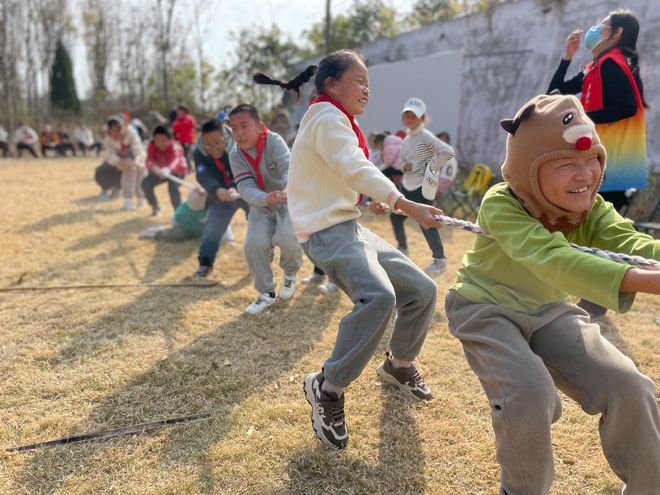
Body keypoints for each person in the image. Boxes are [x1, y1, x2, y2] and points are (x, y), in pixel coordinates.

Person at [446, 93, 660, 494]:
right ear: (529, 169)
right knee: (529, 393)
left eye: (593, 160)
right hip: (484, 307)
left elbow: (630, 244)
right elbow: (551, 258)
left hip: (549, 310)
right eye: (565, 164)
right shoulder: (502, 203)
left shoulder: (590, 207)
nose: (585, 174)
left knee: (631, 386)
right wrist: (643, 280)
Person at [258, 49, 444, 449]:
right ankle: (328, 386)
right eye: (358, 81)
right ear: (330, 85)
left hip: (348, 226)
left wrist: (363, 200)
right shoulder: (326, 117)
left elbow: (337, 176)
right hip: (327, 233)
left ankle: (398, 366)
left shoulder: (335, 121)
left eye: (368, 83)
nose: (366, 89)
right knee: (379, 296)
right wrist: (405, 203)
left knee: (422, 291)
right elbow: (353, 166)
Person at [547, 8, 648, 318]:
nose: (595, 28)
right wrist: (567, 56)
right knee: (597, 226)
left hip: (613, 158)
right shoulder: (597, 65)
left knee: (603, 228)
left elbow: (627, 106)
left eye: (603, 25)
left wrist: (584, 121)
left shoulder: (612, 64)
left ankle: (599, 297)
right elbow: (556, 91)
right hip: (603, 158)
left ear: (616, 33)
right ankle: (596, 297)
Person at [227, 103, 302, 314]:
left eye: (244, 126)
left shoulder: (274, 141)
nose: (239, 133)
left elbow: (289, 168)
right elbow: (245, 188)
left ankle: (290, 274)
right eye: (234, 128)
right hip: (261, 205)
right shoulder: (235, 155)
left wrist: (287, 190)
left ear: (259, 126)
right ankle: (266, 292)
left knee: (289, 237)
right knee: (254, 244)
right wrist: (267, 198)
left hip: (286, 201)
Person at [389, 98, 454, 273]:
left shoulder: (426, 136)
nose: (409, 119)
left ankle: (439, 259)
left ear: (422, 118)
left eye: (413, 116)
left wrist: (430, 166)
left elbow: (448, 152)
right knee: (396, 217)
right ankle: (403, 248)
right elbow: (402, 162)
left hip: (422, 187)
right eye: (407, 116)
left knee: (426, 222)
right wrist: (405, 167)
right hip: (407, 185)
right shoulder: (407, 139)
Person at [194, 119, 248, 278]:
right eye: (208, 145)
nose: (213, 148)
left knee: (259, 222)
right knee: (214, 226)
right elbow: (203, 175)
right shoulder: (199, 153)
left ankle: (262, 259)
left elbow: (246, 170)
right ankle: (205, 263)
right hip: (221, 196)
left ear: (226, 137)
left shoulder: (240, 145)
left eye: (218, 143)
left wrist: (234, 186)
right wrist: (217, 191)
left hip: (246, 190)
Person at [138, 186, 235, 243]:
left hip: (205, 230)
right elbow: (175, 220)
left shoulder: (216, 208)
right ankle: (157, 232)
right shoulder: (183, 211)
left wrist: (227, 239)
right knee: (177, 235)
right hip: (187, 228)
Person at [141, 125, 188, 216]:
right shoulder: (152, 146)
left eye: (163, 140)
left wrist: (169, 169)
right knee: (145, 184)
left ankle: (178, 213)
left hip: (177, 171)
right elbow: (149, 159)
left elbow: (176, 160)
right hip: (160, 171)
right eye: (157, 140)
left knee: (173, 187)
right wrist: (153, 167)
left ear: (170, 139)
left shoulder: (175, 147)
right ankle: (155, 207)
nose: (160, 143)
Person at [104, 116, 147, 211]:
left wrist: (138, 158)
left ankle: (141, 199)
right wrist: (118, 161)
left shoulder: (131, 133)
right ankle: (128, 201)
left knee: (140, 175)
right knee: (128, 175)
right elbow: (109, 154)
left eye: (119, 130)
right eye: (114, 131)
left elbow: (137, 147)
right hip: (122, 162)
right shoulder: (108, 140)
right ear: (109, 131)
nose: (117, 134)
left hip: (136, 159)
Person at [172, 104, 197, 172]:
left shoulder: (189, 118)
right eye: (178, 111)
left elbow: (184, 126)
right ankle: (188, 168)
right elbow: (174, 128)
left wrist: (178, 125)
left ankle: (190, 168)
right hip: (180, 141)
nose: (179, 113)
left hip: (187, 140)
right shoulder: (178, 119)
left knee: (186, 154)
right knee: (183, 155)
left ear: (185, 111)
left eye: (180, 111)